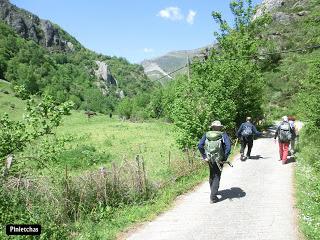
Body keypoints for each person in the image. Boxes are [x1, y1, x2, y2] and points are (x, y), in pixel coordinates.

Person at [198, 120, 232, 203]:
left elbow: (200, 145)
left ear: (212, 127)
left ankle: (213, 190)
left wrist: (204, 156)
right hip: (219, 159)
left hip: (209, 159)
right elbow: (228, 147)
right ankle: (213, 197)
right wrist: (224, 158)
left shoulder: (206, 134)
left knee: (212, 174)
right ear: (220, 127)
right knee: (217, 175)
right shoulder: (223, 135)